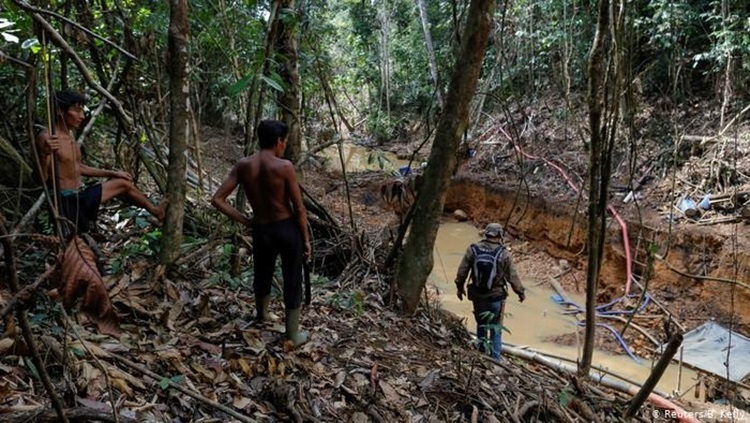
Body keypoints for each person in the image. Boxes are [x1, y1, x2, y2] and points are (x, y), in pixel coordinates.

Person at [211, 119, 311, 347]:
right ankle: (292, 335)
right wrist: (306, 239)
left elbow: (217, 199)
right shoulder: (284, 166)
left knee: (262, 272)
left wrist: (246, 221)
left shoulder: (243, 165)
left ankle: (261, 314)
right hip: (286, 228)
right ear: (278, 141)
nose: (284, 146)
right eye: (284, 141)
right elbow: (299, 208)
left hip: (261, 229)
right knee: (292, 278)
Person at [36, 90, 167, 236]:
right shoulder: (47, 138)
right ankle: (155, 211)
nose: (82, 116)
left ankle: (156, 211)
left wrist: (112, 173)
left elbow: (77, 167)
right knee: (74, 245)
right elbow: (41, 179)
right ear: (61, 111)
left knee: (122, 182)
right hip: (65, 202)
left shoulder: (70, 134)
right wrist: (44, 154)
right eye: (77, 111)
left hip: (80, 197)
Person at [454, 223, 526, 360]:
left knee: (481, 325)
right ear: (499, 235)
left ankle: (481, 354)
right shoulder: (503, 253)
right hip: (495, 297)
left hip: (477, 295)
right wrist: (520, 292)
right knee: (495, 329)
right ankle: (495, 359)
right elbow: (513, 276)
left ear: (486, 233)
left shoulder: (473, 249)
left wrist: (459, 288)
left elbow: (462, 272)